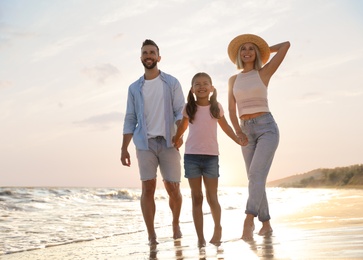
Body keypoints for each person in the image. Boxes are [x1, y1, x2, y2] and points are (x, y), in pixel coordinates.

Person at [120, 39, 185, 246]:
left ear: (159, 57)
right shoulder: (134, 88)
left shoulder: (172, 82)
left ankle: (175, 223)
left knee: (173, 188)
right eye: (145, 53)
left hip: (169, 142)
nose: (149, 56)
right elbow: (130, 118)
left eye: (152, 52)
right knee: (147, 188)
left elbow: (180, 111)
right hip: (144, 143)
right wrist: (124, 148)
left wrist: (180, 133)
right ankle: (151, 235)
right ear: (141, 58)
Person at [227, 34, 290, 240]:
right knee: (255, 178)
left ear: (256, 53)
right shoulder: (233, 80)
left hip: (266, 128)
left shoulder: (264, 72)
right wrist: (238, 131)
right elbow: (230, 108)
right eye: (243, 49)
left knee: (255, 175)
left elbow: (285, 45)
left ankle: (248, 220)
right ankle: (266, 224)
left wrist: (264, 49)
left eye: (251, 49)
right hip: (245, 130)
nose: (246, 52)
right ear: (238, 54)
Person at [173, 72, 245, 247]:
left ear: (212, 88)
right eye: (197, 84)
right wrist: (176, 138)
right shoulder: (188, 107)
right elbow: (182, 126)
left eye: (205, 83)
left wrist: (238, 140)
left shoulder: (216, 107)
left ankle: (217, 228)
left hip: (211, 157)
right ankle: (200, 238)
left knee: (212, 197)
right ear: (192, 89)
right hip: (191, 157)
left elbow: (226, 127)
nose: (202, 86)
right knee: (196, 197)